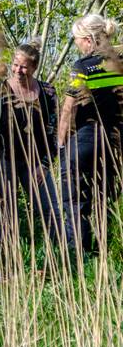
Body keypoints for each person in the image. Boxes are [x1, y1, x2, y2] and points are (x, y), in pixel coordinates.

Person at [0, 44, 59, 242]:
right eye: (15, 65)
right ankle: (9, 259)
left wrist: (45, 164)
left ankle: (60, 257)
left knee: (50, 210)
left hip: (35, 163)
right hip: (4, 161)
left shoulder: (48, 93)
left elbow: (53, 132)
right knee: (9, 213)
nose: (18, 71)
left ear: (34, 68)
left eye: (23, 67)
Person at [58, 14, 123, 252]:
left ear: (87, 39)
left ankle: (80, 251)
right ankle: (111, 245)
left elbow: (69, 106)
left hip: (88, 137)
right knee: (108, 195)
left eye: (76, 40)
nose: (77, 45)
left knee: (74, 196)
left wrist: (61, 142)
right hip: (117, 139)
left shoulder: (82, 66)